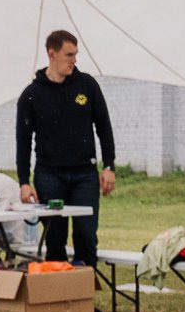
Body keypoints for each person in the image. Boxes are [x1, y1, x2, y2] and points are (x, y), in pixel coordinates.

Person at [16, 30, 116, 266]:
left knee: (86, 236)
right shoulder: (31, 95)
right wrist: (24, 181)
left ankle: (84, 296)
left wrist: (109, 165)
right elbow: (23, 141)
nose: (74, 60)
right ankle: (56, 297)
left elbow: (104, 128)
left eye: (75, 54)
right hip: (49, 175)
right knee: (55, 237)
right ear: (52, 54)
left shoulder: (87, 86)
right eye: (69, 54)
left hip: (85, 175)